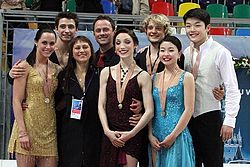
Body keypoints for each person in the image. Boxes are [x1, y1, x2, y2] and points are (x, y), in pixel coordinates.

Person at [183, 8, 241, 167]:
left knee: (213, 163)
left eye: (197, 25)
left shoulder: (221, 52)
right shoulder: (186, 53)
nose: (192, 30)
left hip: (209, 116)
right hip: (187, 119)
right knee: (190, 162)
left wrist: (230, 120)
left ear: (207, 28)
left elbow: (232, 88)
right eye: (188, 26)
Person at [98, 28, 154, 167]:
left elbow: (149, 111)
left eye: (127, 42)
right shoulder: (106, 72)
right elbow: (101, 105)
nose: (122, 46)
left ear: (135, 44)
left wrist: (131, 134)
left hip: (132, 134)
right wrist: (107, 131)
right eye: (118, 43)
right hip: (110, 132)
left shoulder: (143, 75)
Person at [8, 28, 60, 167]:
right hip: (28, 127)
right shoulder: (23, 67)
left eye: (51, 43)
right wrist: (22, 133)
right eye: (44, 42)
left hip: (49, 130)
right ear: (36, 42)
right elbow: (16, 101)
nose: (48, 47)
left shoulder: (57, 69)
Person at [148, 35, 195, 167]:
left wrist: (173, 135)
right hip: (156, 137)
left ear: (179, 53)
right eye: (162, 50)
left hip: (177, 136)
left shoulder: (186, 77)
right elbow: (150, 110)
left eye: (170, 50)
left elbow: (189, 110)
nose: (166, 54)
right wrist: (150, 135)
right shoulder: (152, 78)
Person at [55, 36, 102, 167]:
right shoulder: (63, 76)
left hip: (94, 131)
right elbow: (56, 103)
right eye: (77, 47)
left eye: (85, 47)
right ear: (72, 52)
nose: (81, 50)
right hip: (70, 132)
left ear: (91, 51)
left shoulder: (99, 74)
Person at [8, 11, 79, 83]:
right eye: (62, 26)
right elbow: (23, 71)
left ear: (76, 30)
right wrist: (11, 75)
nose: (67, 30)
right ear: (56, 29)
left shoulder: (78, 53)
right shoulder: (45, 49)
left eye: (71, 27)